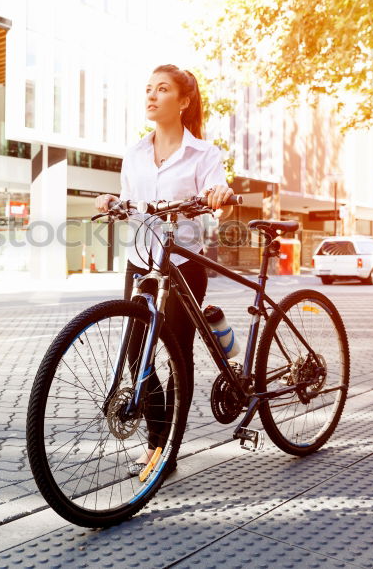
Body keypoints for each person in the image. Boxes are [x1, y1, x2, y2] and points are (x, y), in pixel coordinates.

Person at [95, 63, 234, 474]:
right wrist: (111, 202)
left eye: (162, 89)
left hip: (182, 266)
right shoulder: (135, 153)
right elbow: (129, 199)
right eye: (148, 89)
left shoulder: (204, 154)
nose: (151, 96)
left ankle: (166, 447)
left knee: (178, 357)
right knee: (138, 358)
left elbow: (219, 201)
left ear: (184, 101)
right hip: (141, 263)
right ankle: (156, 435)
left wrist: (220, 196)